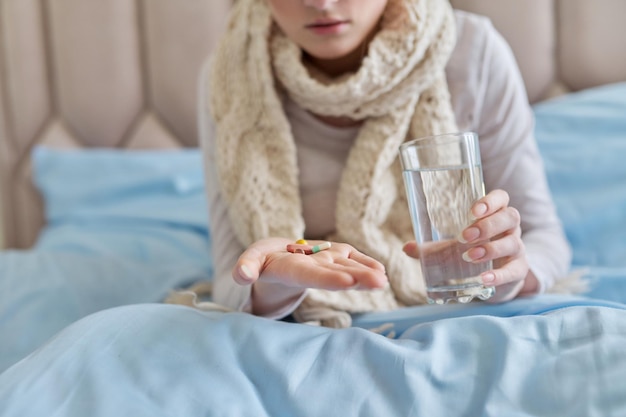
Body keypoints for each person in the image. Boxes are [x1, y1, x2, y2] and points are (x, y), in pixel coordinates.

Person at [195, 0, 572, 327]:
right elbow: (232, 275)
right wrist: (276, 283)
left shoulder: (472, 53)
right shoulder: (229, 75)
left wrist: (503, 275)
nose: (321, 2)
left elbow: (544, 238)